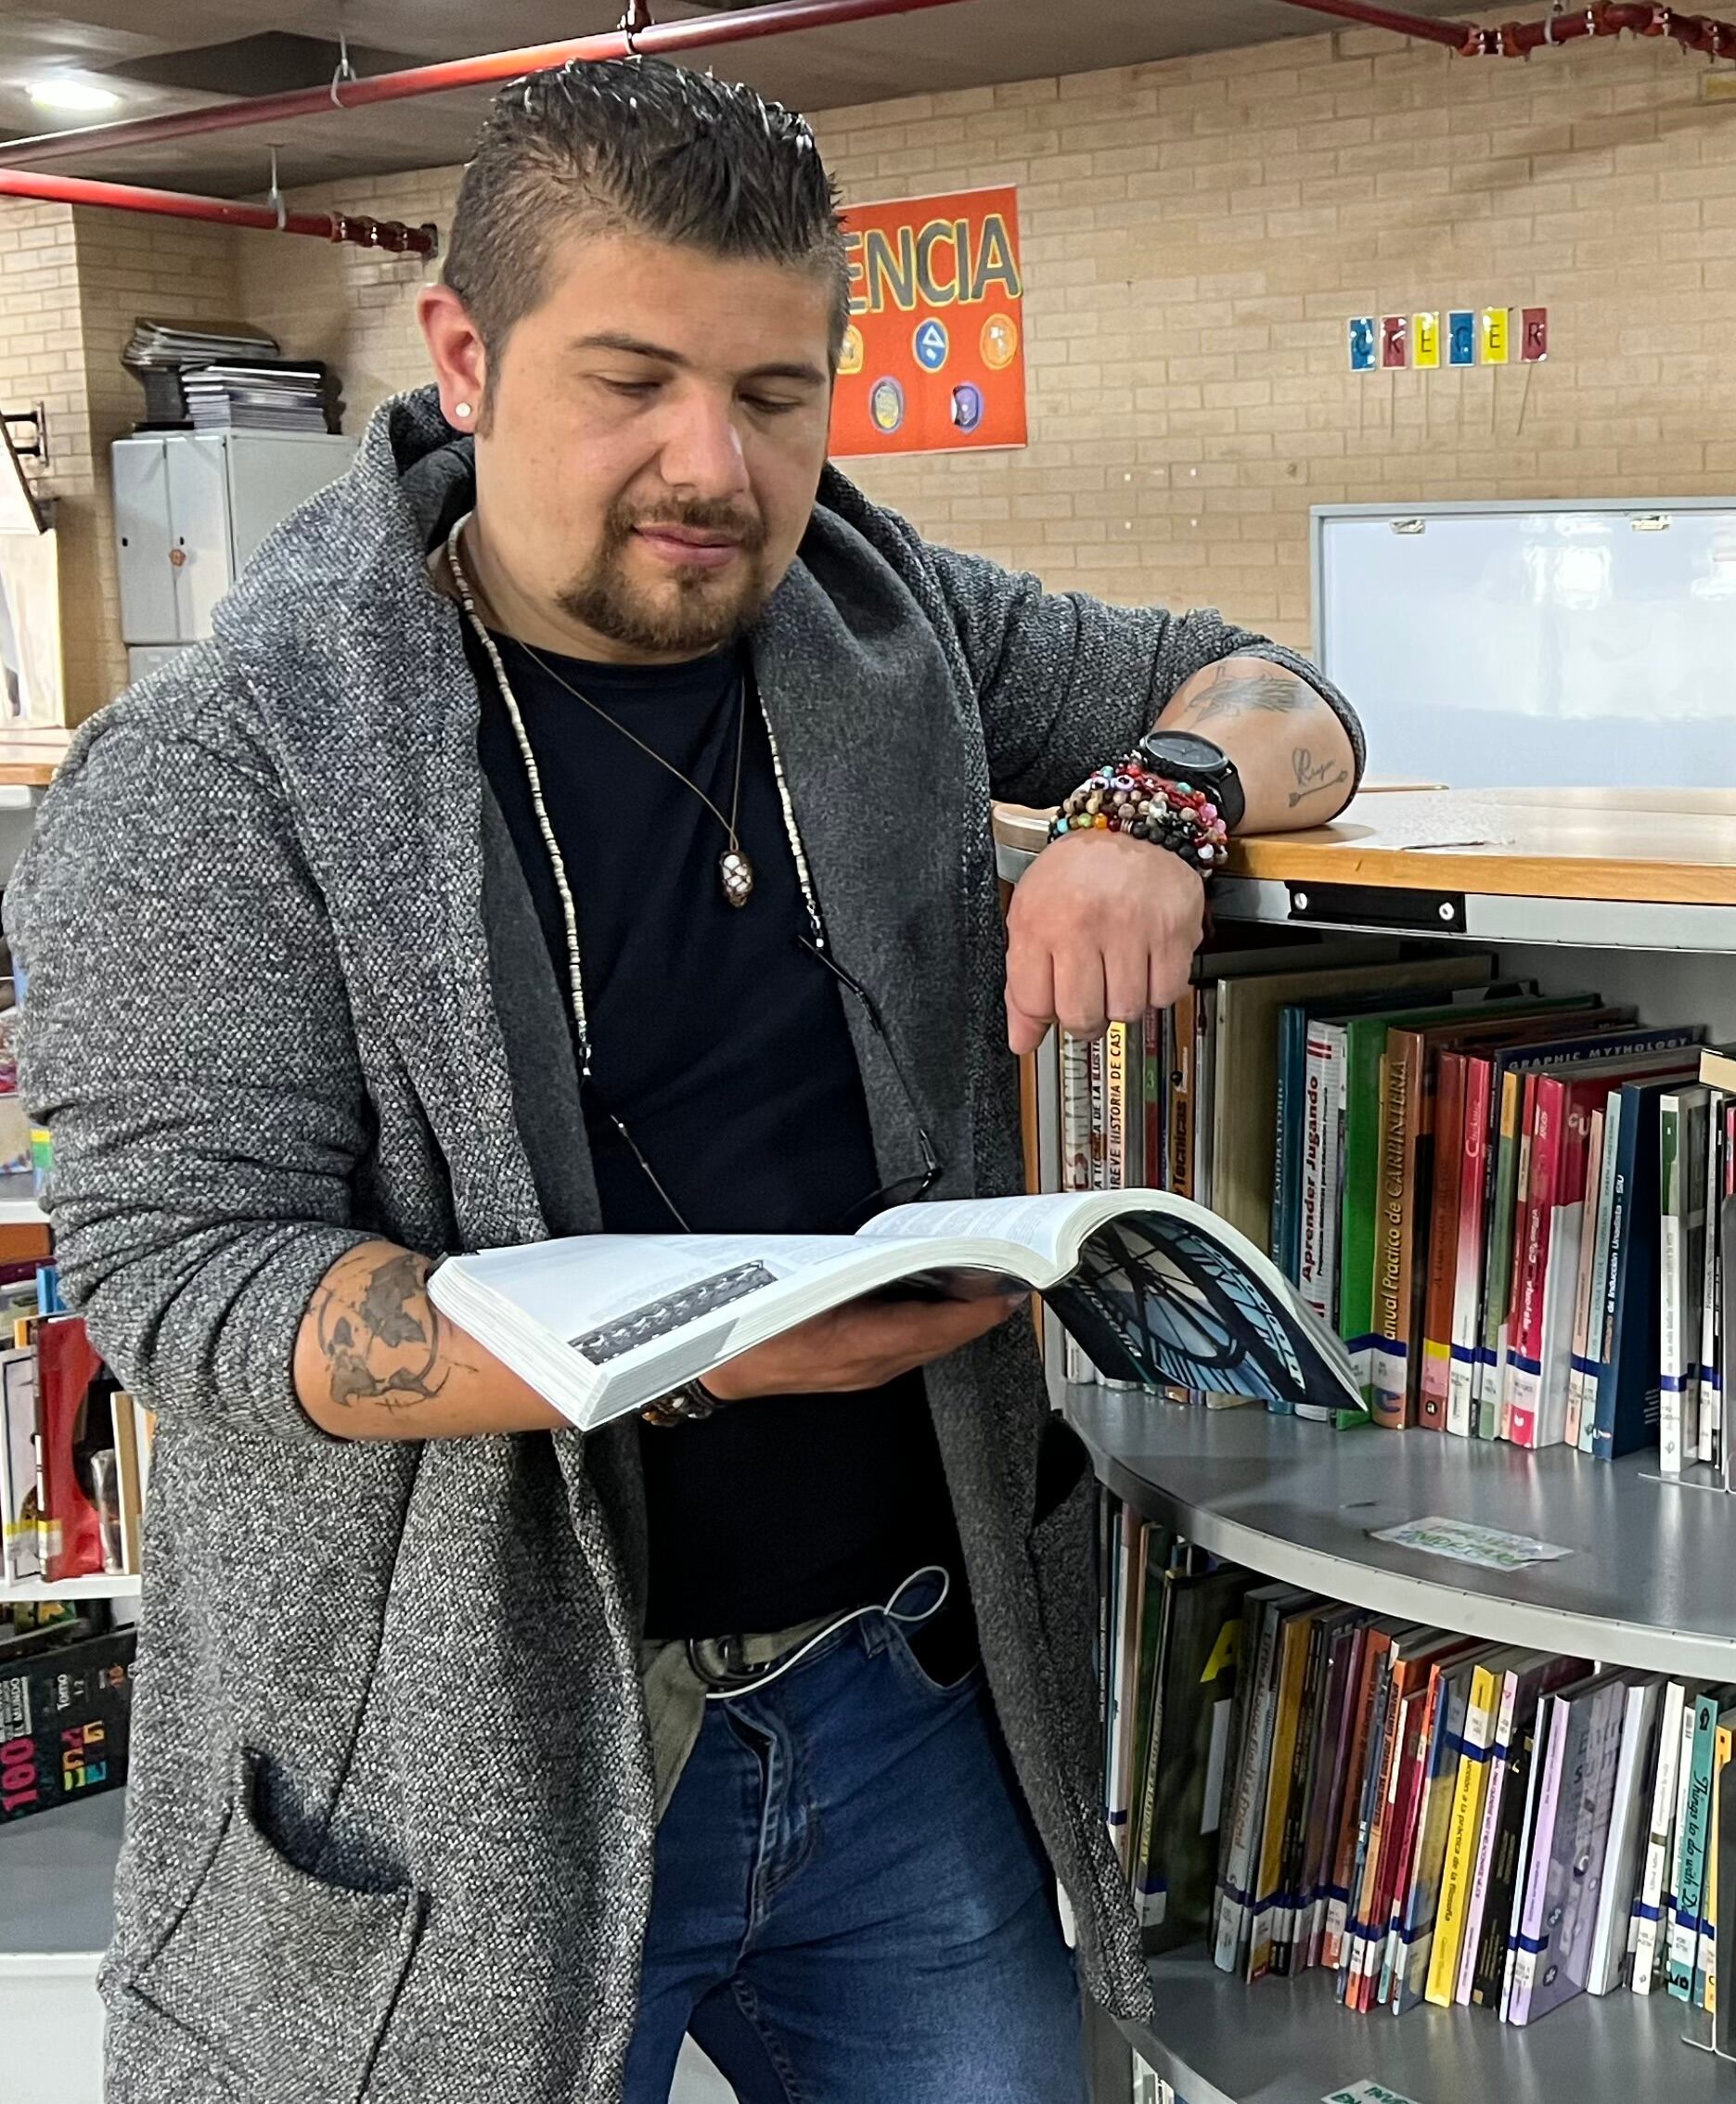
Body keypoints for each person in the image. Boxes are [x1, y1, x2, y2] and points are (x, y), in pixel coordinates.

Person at [8, 58, 1361, 2104]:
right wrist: (689, 1354)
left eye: (777, 394)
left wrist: (1154, 806)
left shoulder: (876, 615)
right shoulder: (224, 764)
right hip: (465, 1775)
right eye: (628, 380)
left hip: (910, 1699)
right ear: (462, 356)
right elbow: (180, 1281)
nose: (709, 465)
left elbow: (1289, 693)